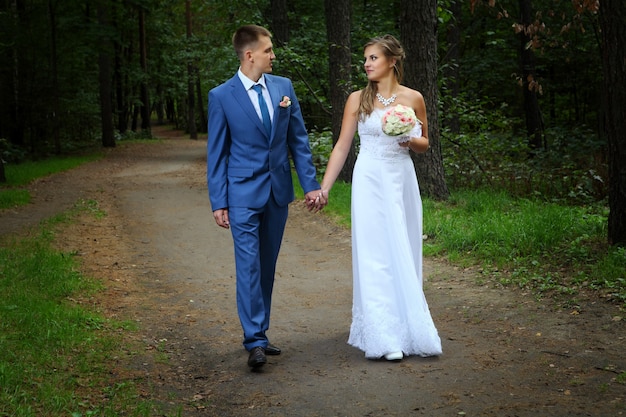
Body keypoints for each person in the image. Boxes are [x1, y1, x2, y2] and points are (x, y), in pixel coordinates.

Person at [207, 25, 325, 370]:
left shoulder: (283, 88)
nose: (274, 55)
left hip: (277, 193)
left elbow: (298, 142)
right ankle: (254, 340)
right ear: (249, 55)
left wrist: (311, 185)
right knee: (248, 265)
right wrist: (219, 201)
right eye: (268, 50)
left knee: (266, 265)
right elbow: (217, 153)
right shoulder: (222, 96)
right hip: (241, 193)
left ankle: (261, 329)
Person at [319, 34, 442, 361]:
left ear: (392, 61)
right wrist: (326, 187)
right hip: (369, 177)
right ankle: (383, 335)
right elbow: (343, 145)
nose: (367, 64)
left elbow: (425, 142)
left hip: (400, 177)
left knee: (402, 247)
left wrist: (409, 140)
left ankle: (406, 326)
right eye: (366, 59)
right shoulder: (357, 99)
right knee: (373, 252)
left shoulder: (414, 98)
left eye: (373, 58)